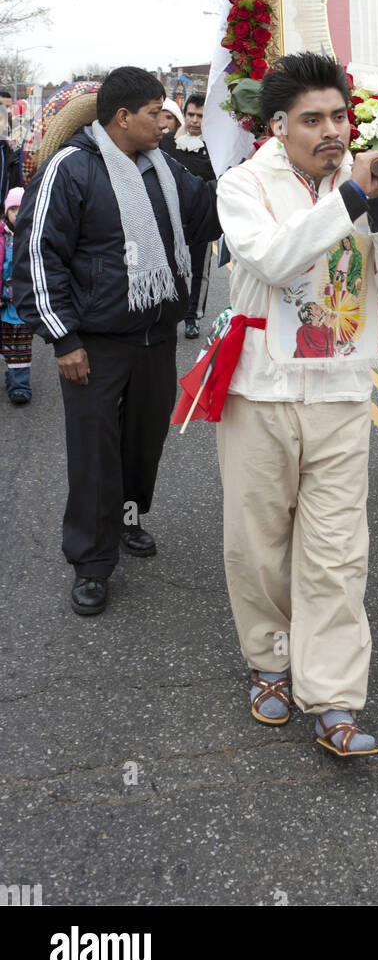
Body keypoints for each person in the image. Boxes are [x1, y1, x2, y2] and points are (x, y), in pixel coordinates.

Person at [213, 52, 378, 755]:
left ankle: (334, 695)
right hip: (260, 391)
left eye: (340, 116)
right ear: (279, 126)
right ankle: (269, 658)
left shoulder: (371, 186)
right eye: (313, 119)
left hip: (342, 394)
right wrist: (350, 204)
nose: (332, 130)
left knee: (337, 553)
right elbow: (274, 261)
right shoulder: (243, 184)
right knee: (259, 543)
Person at [12, 66, 221, 616]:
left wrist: (252, 168)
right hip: (93, 344)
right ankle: (92, 561)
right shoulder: (72, 168)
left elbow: (211, 214)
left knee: (140, 444)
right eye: (155, 112)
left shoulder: (162, 167)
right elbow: (38, 255)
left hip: (154, 337)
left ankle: (128, 522)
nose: (164, 121)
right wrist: (62, 339)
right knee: (94, 454)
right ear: (123, 117)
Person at [162, 93, 215, 339]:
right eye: (191, 114)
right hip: (169, 217)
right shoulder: (166, 143)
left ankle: (192, 317)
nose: (194, 120)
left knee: (198, 271)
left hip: (202, 220)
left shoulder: (215, 147)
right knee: (170, 267)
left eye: (200, 116)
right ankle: (167, 314)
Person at [1, 187, 34, 405]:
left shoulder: (33, 234)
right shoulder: (2, 237)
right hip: (3, 303)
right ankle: (12, 376)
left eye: (21, 208)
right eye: (12, 209)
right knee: (5, 345)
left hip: (23, 304)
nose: (17, 213)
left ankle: (20, 386)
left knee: (21, 346)